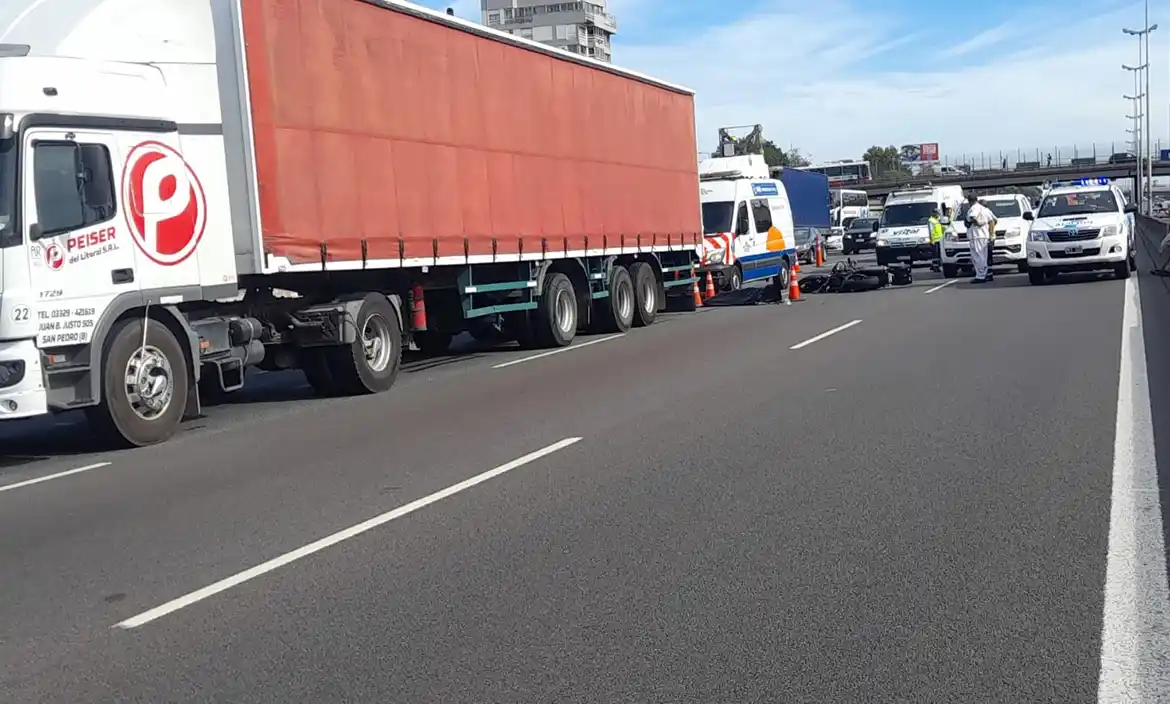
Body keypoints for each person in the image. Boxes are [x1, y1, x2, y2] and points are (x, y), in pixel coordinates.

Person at [963, 194, 994, 283]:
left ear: (969, 201)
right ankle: (984, 274)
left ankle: (980, 276)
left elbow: (972, 217)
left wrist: (978, 223)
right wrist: (991, 234)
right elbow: (991, 221)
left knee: (977, 256)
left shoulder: (973, 208)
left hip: (976, 235)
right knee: (983, 256)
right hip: (984, 235)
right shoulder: (984, 209)